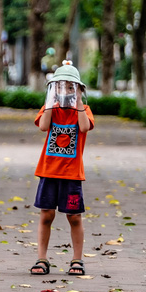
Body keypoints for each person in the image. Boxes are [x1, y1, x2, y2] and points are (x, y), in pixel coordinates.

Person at [30, 60, 94, 276]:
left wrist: (77, 103)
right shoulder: (51, 109)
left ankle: (77, 259)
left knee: (74, 216)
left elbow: (84, 127)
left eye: (70, 86)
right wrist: (50, 101)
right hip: (49, 172)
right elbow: (43, 126)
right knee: (46, 215)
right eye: (60, 86)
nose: (65, 91)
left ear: (79, 89)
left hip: (71, 174)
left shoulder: (83, 111)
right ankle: (42, 258)